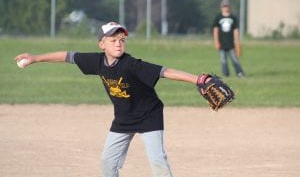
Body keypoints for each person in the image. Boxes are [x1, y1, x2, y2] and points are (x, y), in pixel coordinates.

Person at [15, 22, 210, 177]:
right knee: (107, 162)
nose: (118, 43)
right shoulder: (97, 62)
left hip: (149, 116)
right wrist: (35, 58)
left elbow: (164, 71)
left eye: (121, 40)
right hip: (123, 119)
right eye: (113, 40)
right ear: (101, 44)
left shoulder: (132, 64)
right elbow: (68, 56)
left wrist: (198, 80)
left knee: (157, 159)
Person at [213, 0, 245, 77]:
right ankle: (225, 74)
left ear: (229, 7)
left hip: (231, 43)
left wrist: (237, 42)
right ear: (221, 7)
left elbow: (236, 31)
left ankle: (240, 73)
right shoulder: (218, 17)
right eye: (224, 6)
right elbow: (215, 30)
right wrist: (216, 41)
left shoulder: (233, 18)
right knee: (223, 60)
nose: (225, 8)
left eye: (227, 6)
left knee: (235, 59)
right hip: (222, 43)